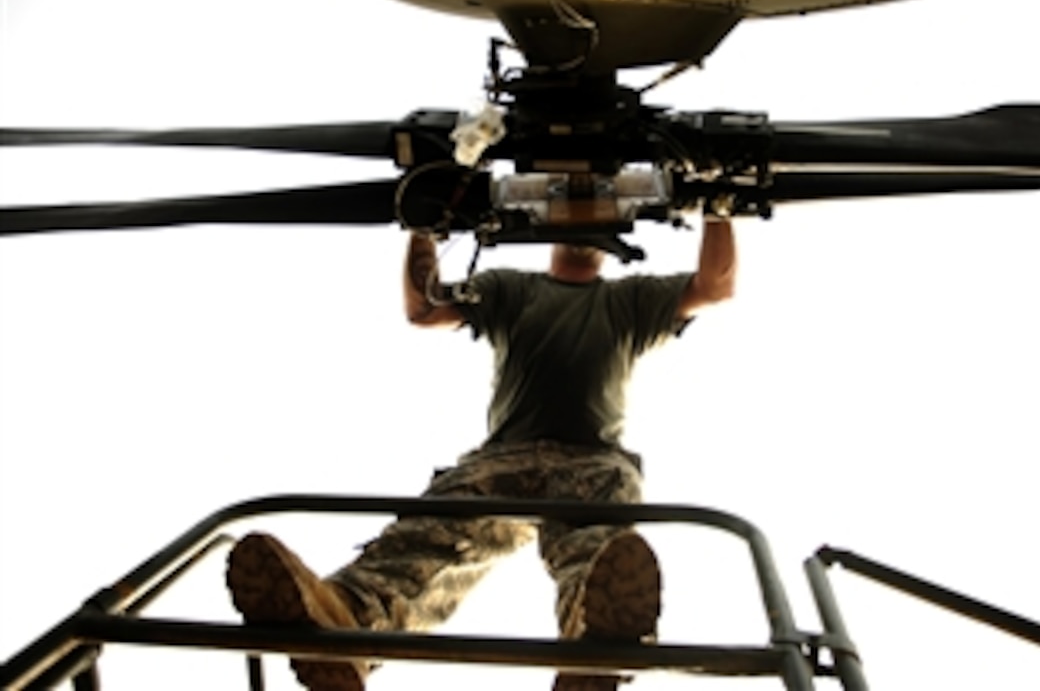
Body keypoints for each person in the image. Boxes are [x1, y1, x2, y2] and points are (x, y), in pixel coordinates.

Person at [226, 214, 737, 691]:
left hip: (590, 460)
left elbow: (714, 285)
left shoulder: (632, 300)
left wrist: (718, 209)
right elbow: (426, 307)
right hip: (504, 459)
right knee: (428, 536)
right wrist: (427, 226)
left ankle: (594, 638)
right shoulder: (512, 288)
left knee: (597, 542)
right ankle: (345, 622)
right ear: (549, 225)